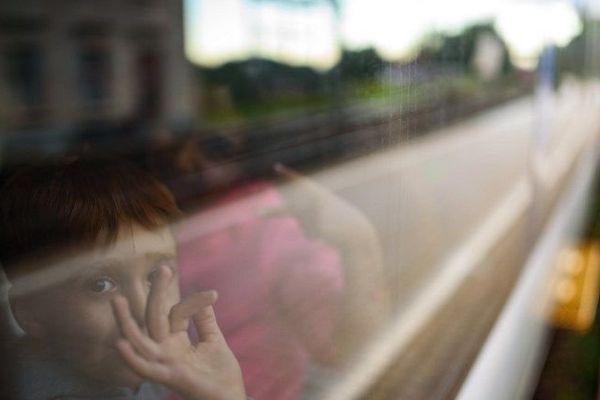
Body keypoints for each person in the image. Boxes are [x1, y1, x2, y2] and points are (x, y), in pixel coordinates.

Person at [0, 157, 247, 400]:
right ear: (31, 313)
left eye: (155, 275)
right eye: (101, 285)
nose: (143, 313)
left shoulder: (132, 369)